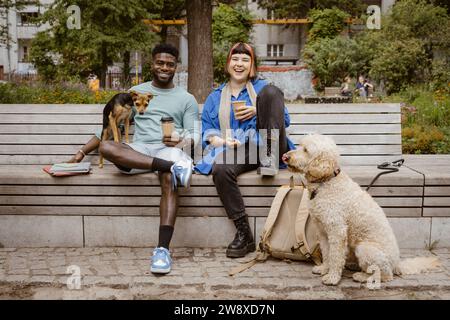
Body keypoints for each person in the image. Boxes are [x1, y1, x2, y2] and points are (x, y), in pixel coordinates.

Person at [68, 43, 199, 274]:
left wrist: (180, 139)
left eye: (170, 64)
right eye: (160, 62)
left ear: (176, 67)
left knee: (168, 179)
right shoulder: (135, 91)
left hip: (168, 149)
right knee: (109, 147)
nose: (164, 67)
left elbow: (195, 135)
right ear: (152, 63)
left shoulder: (186, 98)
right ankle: (171, 167)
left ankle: (162, 250)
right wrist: (81, 153)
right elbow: (109, 127)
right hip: (138, 151)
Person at [194, 42, 295, 258]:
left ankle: (269, 159)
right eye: (235, 59)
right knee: (220, 168)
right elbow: (207, 132)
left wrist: (258, 110)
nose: (239, 64)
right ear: (228, 63)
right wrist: (221, 142)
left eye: (245, 60)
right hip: (242, 148)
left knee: (271, 91)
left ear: (252, 66)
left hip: (270, 143)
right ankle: (244, 233)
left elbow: (284, 120)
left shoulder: (262, 88)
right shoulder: (215, 96)